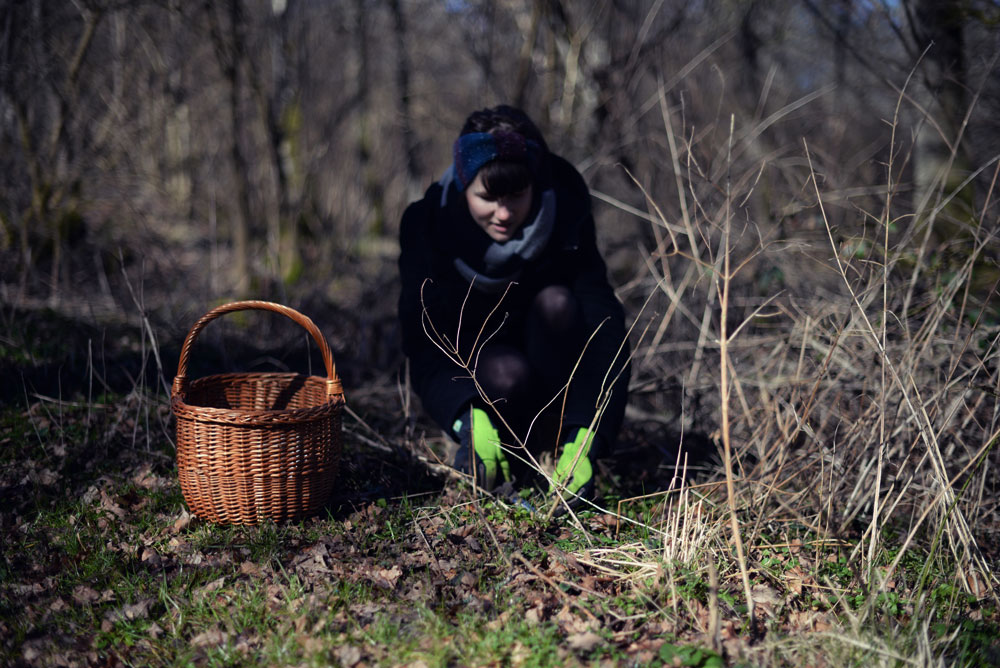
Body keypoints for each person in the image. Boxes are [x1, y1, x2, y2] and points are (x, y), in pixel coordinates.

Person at [397, 105, 630, 506]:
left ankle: (558, 445)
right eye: (487, 197)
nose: (503, 214)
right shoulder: (428, 227)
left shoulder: (565, 217)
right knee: (506, 372)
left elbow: (602, 323)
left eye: (517, 196)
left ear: (536, 185)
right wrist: (466, 415)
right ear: (464, 185)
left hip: (556, 379)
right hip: (486, 381)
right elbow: (424, 336)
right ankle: (498, 443)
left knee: (557, 302)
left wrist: (588, 431)